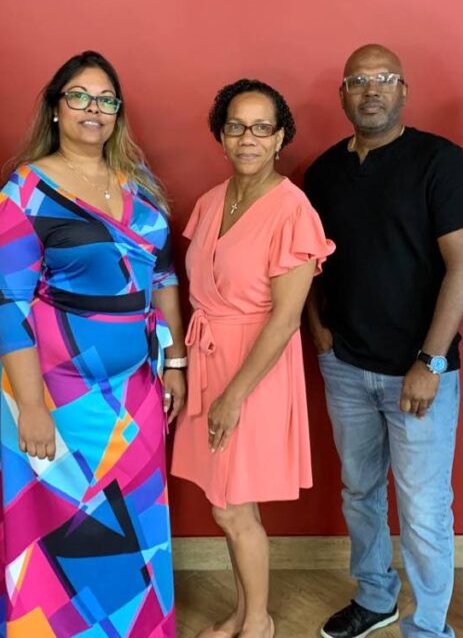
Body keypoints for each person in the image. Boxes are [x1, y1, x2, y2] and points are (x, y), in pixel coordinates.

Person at [0, 50, 186, 638]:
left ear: (117, 113)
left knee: (134, 523)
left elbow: (163, 277)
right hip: (56, 393)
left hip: (136, 390)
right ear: (55, 107)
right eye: (79, 96)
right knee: (58, 525)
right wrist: (34, 407)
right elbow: (9, 307)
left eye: (105, 100)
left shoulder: (138, 188)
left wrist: (174, 360)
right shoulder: (24, 194)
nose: (93, 109)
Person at [304, 45, 463, 638]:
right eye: (357, 80)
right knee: (359, 491)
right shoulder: (324, 172)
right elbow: (305, 260)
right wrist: (319, 328)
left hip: (420, 371)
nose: (370, 90)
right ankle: (376, 596)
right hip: (346, 367)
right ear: (343, 95)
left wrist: (431, 360)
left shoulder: (441, 161)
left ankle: (429, 627)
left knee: (424, 509)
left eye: (383, 79)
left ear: (403, 90)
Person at [172, 79, 334, 638]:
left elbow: (286, 319)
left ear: (280, 136)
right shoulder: (212, 201)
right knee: (228, 503)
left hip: (254, 369)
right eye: (236, 126)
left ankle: (259, 622)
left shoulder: (292, 209)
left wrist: (234, 395)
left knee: (234, 507)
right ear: (221, 135)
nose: (248, 138)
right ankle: (243, 613)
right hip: (208, 356)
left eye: (261, 127)